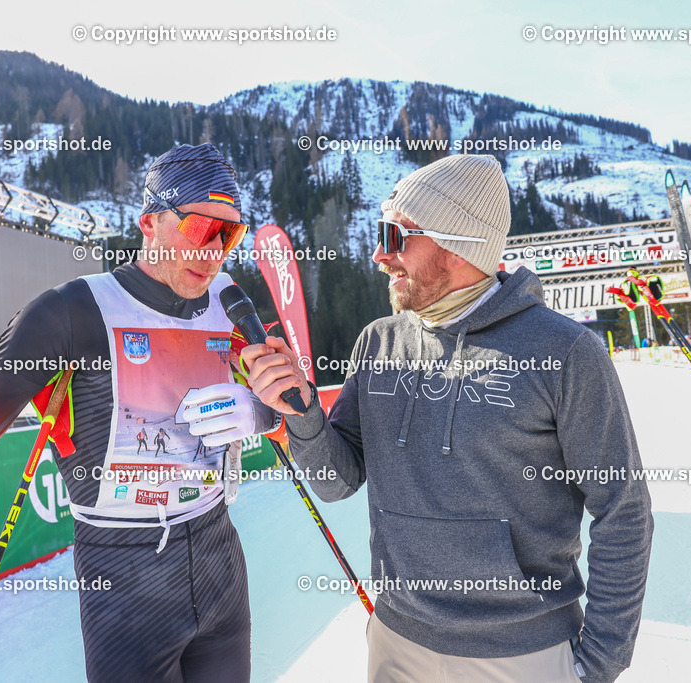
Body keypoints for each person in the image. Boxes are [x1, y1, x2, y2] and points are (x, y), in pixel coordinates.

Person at [243, 154, 654, 682]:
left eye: (395, 237)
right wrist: (300, 412)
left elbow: (624, 511)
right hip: (395, 641)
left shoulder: (567, 351)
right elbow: (335, 483)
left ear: (457, 247)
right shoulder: (379, 341)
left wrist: (599, 663)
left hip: (521, 654)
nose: (378, 255)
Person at [0, 143, 285, 682]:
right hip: (122, 570)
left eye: (229, 234)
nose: (213, 250)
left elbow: (295, 413)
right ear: (150, 223)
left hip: (218, 558)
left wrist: (260, 413)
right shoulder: (74, 311)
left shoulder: (230, 302)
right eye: (199, 228)